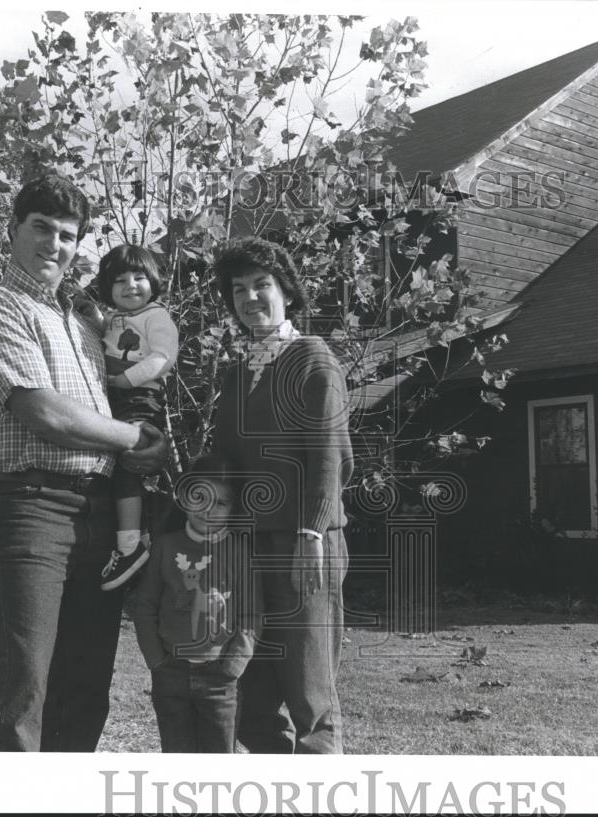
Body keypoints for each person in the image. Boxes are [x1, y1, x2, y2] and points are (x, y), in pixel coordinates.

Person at [0, 173, 167, 752]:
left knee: (85, 685)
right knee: (24, 685)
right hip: (31, 509)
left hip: (97, 514)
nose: (55, 244)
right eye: (42, 228)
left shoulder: (80, 324)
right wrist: (131, 437)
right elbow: (43, 412)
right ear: (13, 231)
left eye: (68, 236)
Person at [211, 237, 354, 754]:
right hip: (248, 549)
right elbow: (225, 461)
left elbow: (330, 453)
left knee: (309, 689)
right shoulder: (235, 373)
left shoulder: (313, 358)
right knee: (256, 689)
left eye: (262, 285)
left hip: (304, 544)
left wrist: (312, 531)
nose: (251, 297)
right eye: (239, 289)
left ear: (287, 293)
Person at [133, 455, 262, 752]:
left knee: (217, 761)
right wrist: (156, 660)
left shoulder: (240, 552)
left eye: (220, 503)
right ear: (185, 496)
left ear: (233, 508)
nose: (208, 510)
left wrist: (233, 665)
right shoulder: (165, 547)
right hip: (170, 673)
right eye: (200, 497)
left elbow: (251, 614)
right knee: (177, 755)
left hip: (220, 678)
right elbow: (145, 607)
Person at [89, 245, 179, 591]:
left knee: (130, 461)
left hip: (140, 395)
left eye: (139, 277)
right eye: (120, 279)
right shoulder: (116, 318)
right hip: (116, 396)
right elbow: (112, 341)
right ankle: (135, 534)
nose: (131, 285)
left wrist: (126, 380)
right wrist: (95, 318)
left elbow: (163, 357)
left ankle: (130, 546)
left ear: (152, 281)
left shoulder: (156, 316)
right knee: (115, 465)